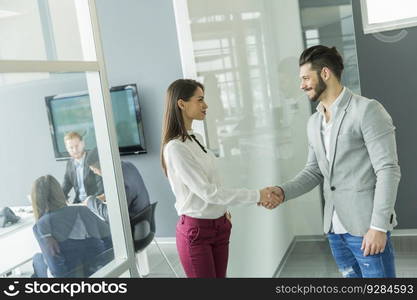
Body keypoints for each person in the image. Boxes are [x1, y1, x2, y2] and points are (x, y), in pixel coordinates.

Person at [264, 45, 401, 278]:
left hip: (366, 229)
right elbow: (314, 171)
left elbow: (388, 170)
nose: (302, 85)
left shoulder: (367, 110)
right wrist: (281, 191)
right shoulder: (313, 122)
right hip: (334, 231)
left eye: (306, 78)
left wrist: (378, 227)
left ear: (325, 73)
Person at [160, 79, 281, 278]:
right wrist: (258, 195)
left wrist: (222, 210)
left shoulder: (195, 138)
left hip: (219, 226)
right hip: (197, 231)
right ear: (181, 104)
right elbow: (208, 192)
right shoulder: (175, 148)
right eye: (199, 100)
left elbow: (213, 183)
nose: (205, 105)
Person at [31, 175, 112, 277]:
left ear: (36, 200)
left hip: (72, 277)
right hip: (99, 269)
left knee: (37, 259)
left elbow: (57, 270)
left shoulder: (41, 226)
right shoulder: (83, 210)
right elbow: (110, 241)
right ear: (59, 193)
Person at [84, 148, 150, 222]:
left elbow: (112, 215)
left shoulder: (117, 180)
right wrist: (103, 197)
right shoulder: (127, 166)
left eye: (94, 170)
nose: (95, 173)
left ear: (102, 166)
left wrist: (90, 201)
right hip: (142, 222)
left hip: (131, 225)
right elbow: (126, 192)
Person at [62, 132, 103, 204]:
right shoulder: (70, 164)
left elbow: (101, 190)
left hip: (94, 203)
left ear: (83, 143)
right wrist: (62, 199)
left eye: (77, 146)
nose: (75, 150)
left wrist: (90, 202)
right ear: (67, 148)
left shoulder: (93, 160)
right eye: (71, 148)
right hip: (78, 203)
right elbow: (64, 188)